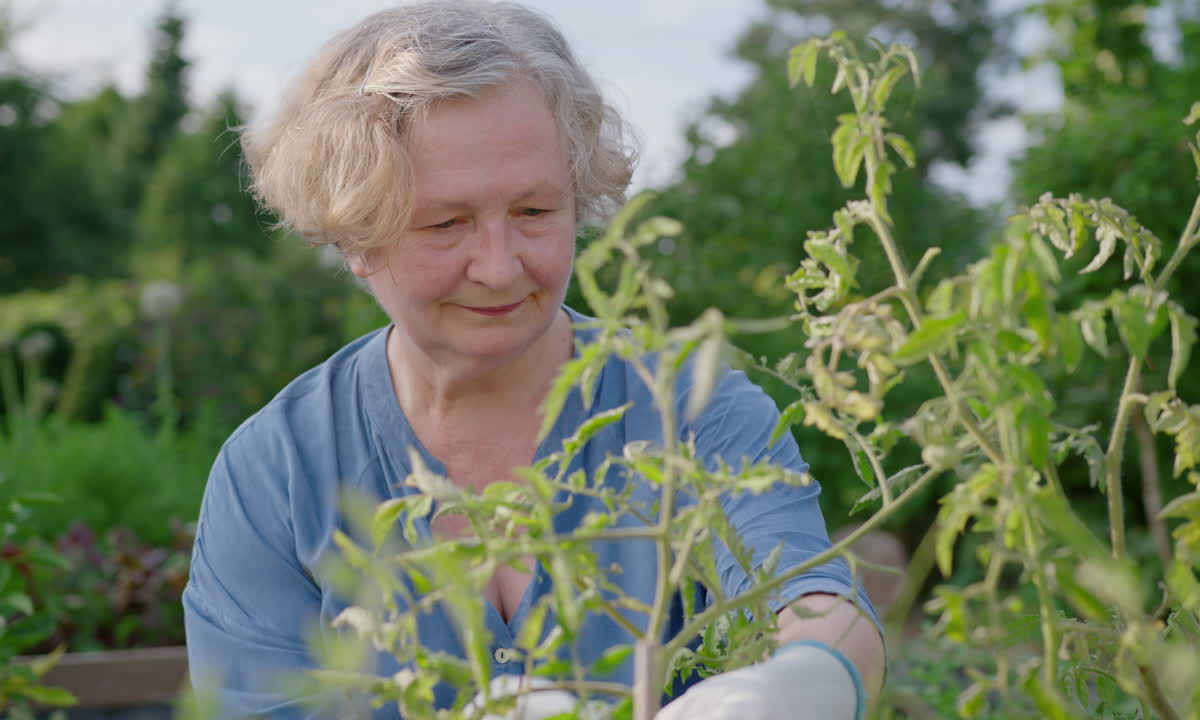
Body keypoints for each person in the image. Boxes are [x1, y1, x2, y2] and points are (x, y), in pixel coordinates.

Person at [182, 2, 885, 718]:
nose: (498, 266)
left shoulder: (690, 409)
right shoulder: (278, 473)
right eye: (447, 222)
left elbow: (806, 593)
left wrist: (806, 677)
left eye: (535, 212)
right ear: (356, 235)